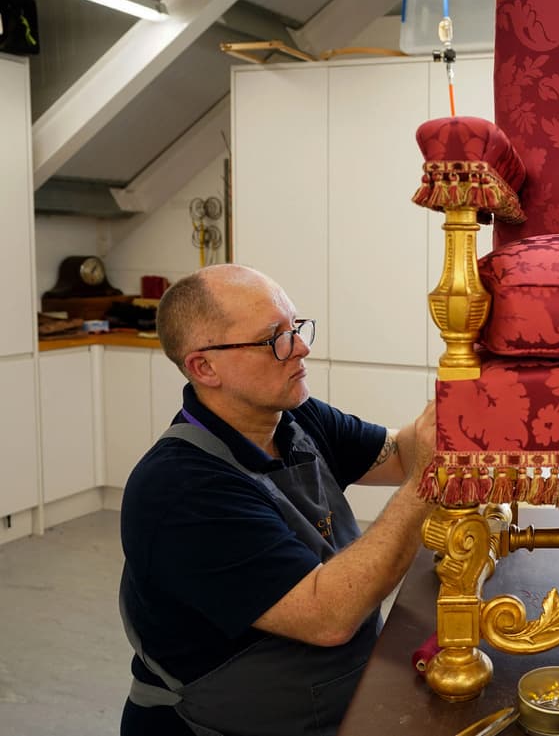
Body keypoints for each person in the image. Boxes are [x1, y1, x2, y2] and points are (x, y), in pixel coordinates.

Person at [118, 263, 436, 736]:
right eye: (274, 339)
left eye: (296, 328)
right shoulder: (181, 489)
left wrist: (457, 410)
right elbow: (328, 616)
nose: (302, 348)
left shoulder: (294, 417)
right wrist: (429, 479)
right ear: (204, 367)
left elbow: (398, 453)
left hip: (336, 700)